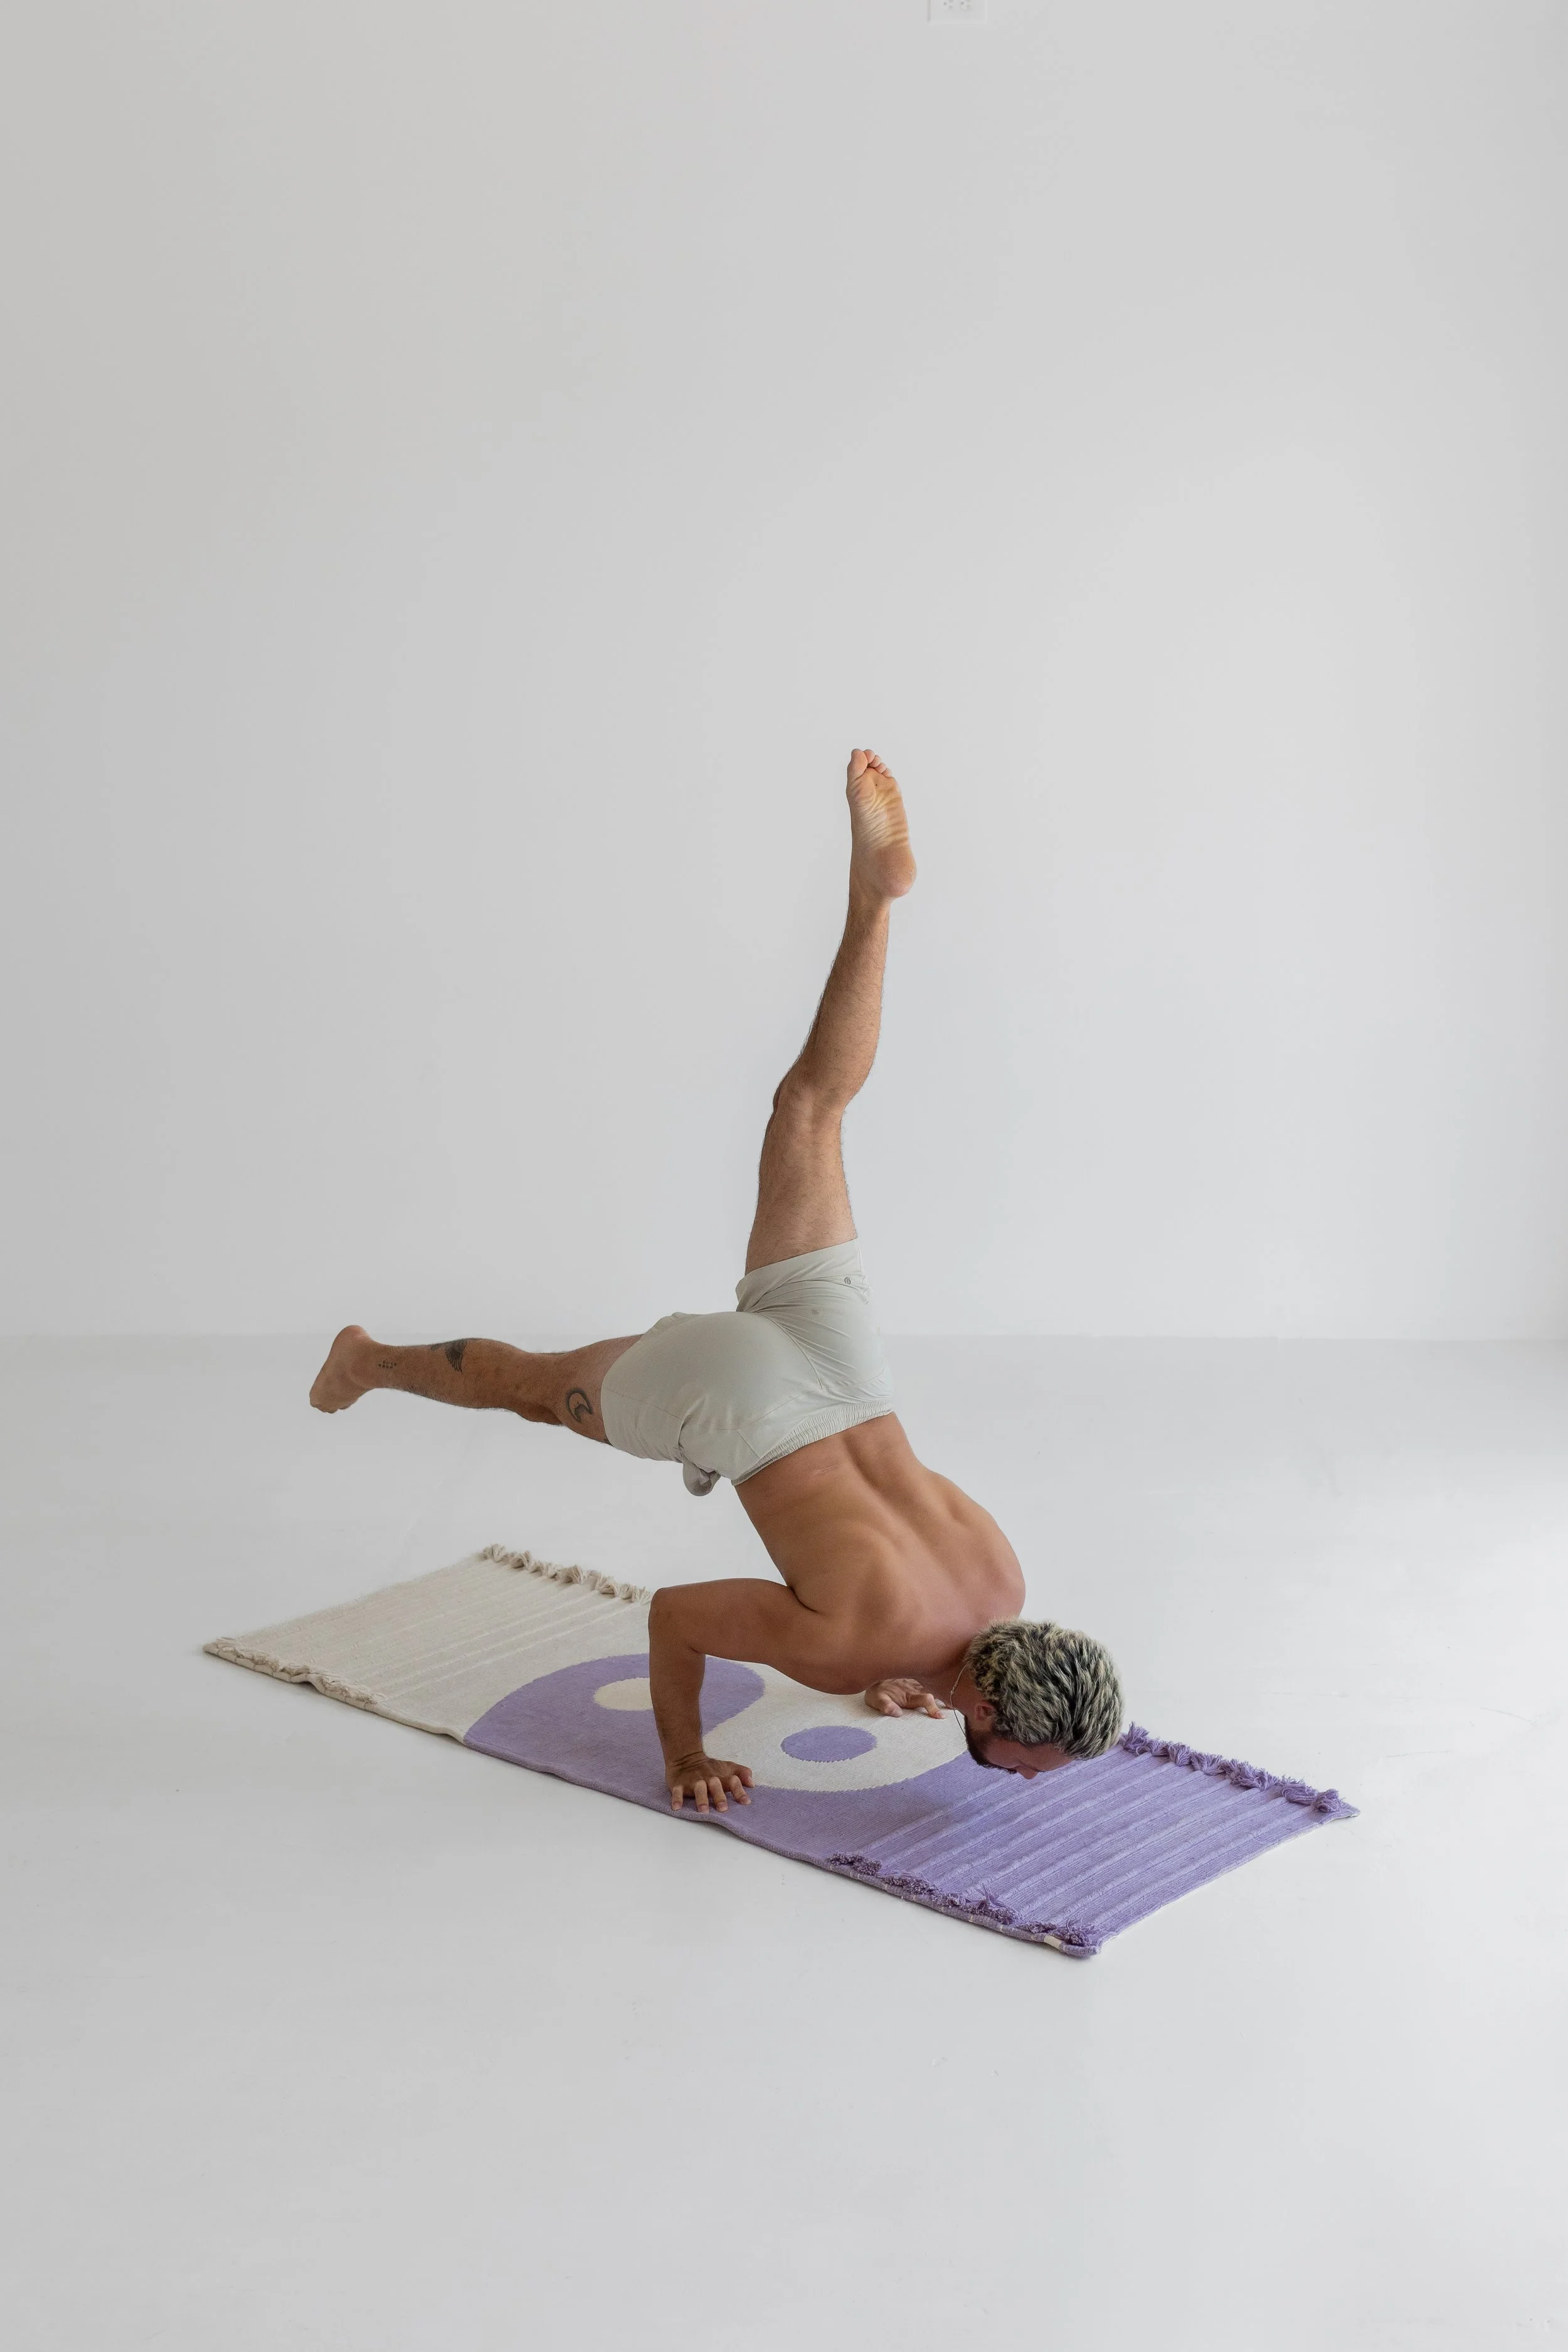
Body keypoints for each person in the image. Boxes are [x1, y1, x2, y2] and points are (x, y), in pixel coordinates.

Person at [310, 751, 1124, 1813]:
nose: (1031, 1778)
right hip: (738, 1405)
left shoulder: (998, 1579)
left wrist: (904, 1668)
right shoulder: (849, 1655)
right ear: (988, 1706)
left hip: (845, 1366)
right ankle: (365, 1359)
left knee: (810, 1109)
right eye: (1034, 1759)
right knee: (533, 1386)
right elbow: (677, 1615)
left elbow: (890, 1592)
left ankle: (873, 908)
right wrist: (686, 1756)